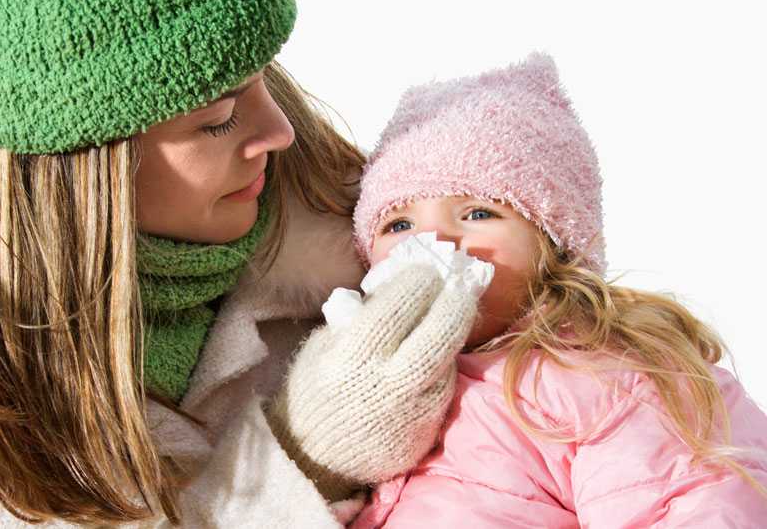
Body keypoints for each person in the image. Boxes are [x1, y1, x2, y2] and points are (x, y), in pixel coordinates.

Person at [0, 0, 469, 527]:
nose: (279, 131)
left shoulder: (353, 208)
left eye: (264, 77)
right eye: (217, 119)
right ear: (85, 172)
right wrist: (306, 459)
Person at [278, 52, 767, 527]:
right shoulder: (379, 383)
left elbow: (690, 501)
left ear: (556, 243)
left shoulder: (605, 377)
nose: (435, 241)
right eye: (399, 224)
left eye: (477, 214)